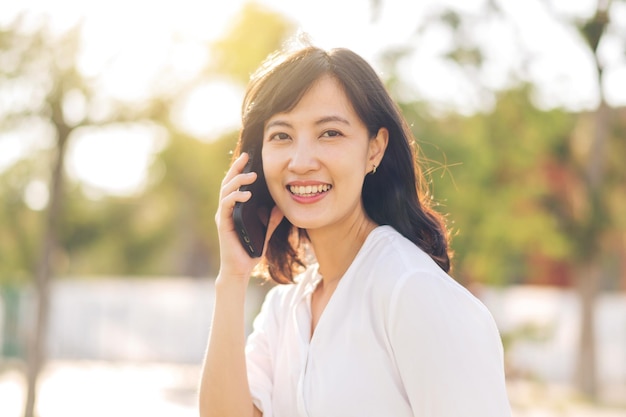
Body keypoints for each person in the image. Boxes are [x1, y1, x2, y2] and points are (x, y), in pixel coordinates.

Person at [199, 44, 511, 417]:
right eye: (281, 136)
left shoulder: (412, 291)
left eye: (329, 133)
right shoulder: (284, 310)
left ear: (374, 149)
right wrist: (232, 277)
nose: (301, 162)